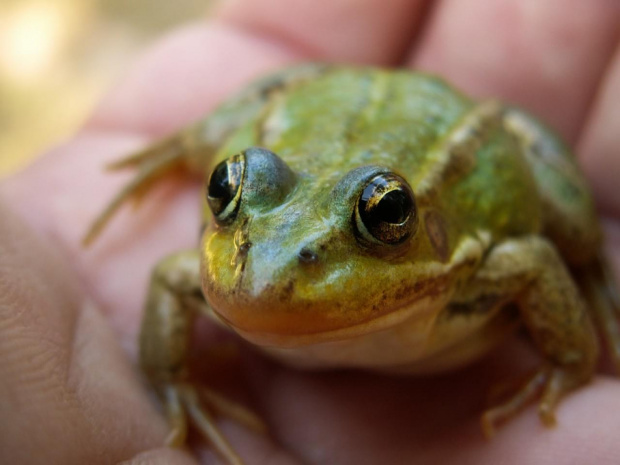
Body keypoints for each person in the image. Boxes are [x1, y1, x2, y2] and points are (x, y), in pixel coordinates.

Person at [1, 1, 619, 463]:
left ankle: (592, 270)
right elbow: (173, 275)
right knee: (240, 153)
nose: (271, 275)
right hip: (321, 105)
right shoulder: (215, 271)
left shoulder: (480, 278)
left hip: (466, 134)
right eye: (226, 198)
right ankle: (204, 147)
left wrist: (570, 356)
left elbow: (535, 258)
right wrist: (169, 380)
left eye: (382, 217)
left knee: (577, 236)